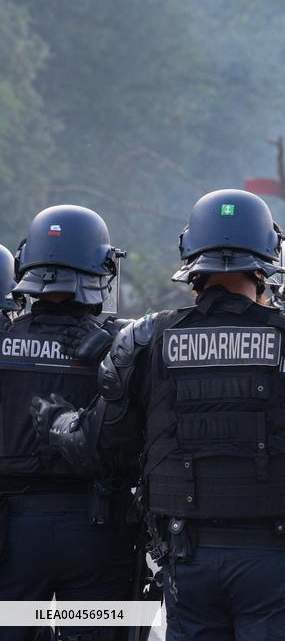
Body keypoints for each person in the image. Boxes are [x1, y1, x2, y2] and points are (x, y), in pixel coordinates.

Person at [32, 190, 285, 641]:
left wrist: (56, 424)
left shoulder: (145, 340)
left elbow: (105, 446)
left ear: (191, 259)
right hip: (280, 557)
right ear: (268, 260)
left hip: (188, 559)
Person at [0, 205, 130, 641]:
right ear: (102, 268)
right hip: (95, 528)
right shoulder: (120, 348)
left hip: (12, 534)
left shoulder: (4, 341)